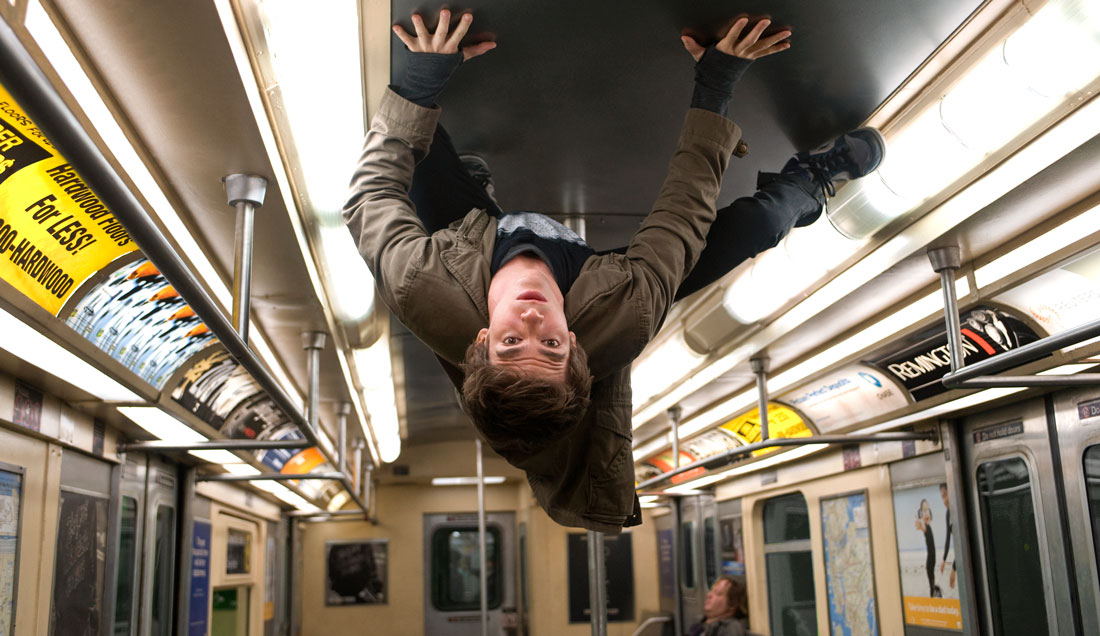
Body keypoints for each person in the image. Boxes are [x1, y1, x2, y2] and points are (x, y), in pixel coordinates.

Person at [344, 10, 883, 532]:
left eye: (511, 341)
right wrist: (716, 81)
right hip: (593, 276)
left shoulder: (423, 285)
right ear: (576, 345)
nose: (532, 318)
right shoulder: (626, 312)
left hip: (472, 238)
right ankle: (810, 182)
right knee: (759, 226)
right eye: (550, 345)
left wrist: (421, 80)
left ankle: (470, 184)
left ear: (481, 340)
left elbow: (370, 195)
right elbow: (684, 209)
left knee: (406, 118)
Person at [915, 498, 941, 597]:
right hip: (930, 562)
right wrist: (919, 523)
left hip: (932, 561)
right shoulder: (925, 527)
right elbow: (921, 527)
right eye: (924, 511)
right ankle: (933, 597)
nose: (927, 513)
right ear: (921, 513)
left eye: (928, 510)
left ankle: (934, 595)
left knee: (932, 584)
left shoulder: (929, 527)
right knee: (932, 585)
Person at [939, 483, 957, 590]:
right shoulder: (948, 513)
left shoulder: (959, 510)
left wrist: (954, 569)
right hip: (959, 559)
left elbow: (963, 544)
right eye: (942, 497)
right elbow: (948, 537)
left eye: (946, 495)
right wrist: (944, 560)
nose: (944, 500)